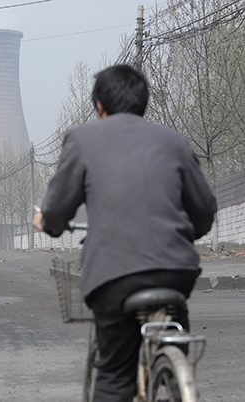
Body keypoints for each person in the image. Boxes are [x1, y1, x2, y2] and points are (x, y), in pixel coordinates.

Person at [32, 64, 217, 402]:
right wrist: (185, 232)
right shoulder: (174, 141)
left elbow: (58, 211)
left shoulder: (82, 139)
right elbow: (204, 211)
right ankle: (173, 371)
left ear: (100, 106)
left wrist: (47, 223)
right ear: (142, 103)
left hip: (113, 273)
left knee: (115, 376)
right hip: (175, 270)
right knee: (173, 332)